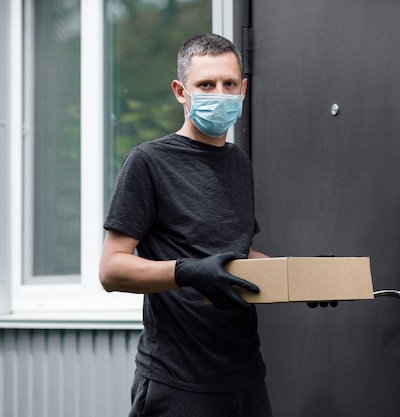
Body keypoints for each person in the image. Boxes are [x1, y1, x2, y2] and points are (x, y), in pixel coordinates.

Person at [99, 33, 273, 417]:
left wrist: (301, 278)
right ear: (181, 91)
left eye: (229, 84)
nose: (220, 93)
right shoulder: (147, 162)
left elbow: (237, 254)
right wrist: (188, 272)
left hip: (245, 376)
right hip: (178, 383)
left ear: (243, 88)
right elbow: (111, 269)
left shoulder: (238, 163)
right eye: (206, 85)